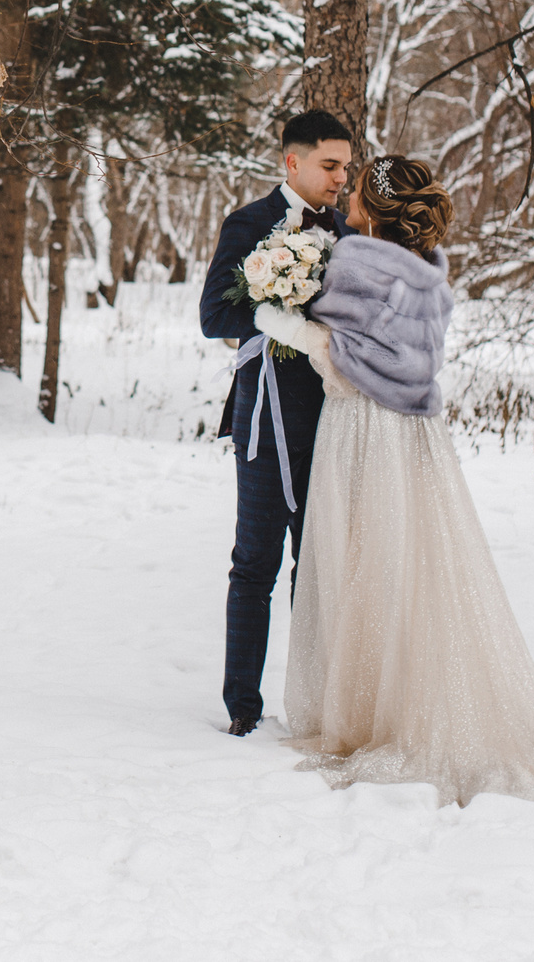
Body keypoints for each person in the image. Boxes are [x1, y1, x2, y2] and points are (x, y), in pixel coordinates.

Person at [254, 155, 534, 805]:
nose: (348, 191)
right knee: (408, 565)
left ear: (376, 207)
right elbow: (402, 359)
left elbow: (346, 358)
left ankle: (370, 716)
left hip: (361, 430)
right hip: (416, 436)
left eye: (357, 186)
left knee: (359, 561)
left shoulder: (358, 262)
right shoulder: (430, 277)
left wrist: (282, 323)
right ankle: (397, 700)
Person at [199, 109, 355, 737]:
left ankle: (313, 704)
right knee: (255, 563)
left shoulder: (348, 231)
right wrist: (276, 315)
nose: (342, 178)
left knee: (317, 566)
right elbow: (214, 315)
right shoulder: (250, 224)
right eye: (330, 165)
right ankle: (242, 706)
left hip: (335, 420)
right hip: (263, 420)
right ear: (293, 163)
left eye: (346, 166)